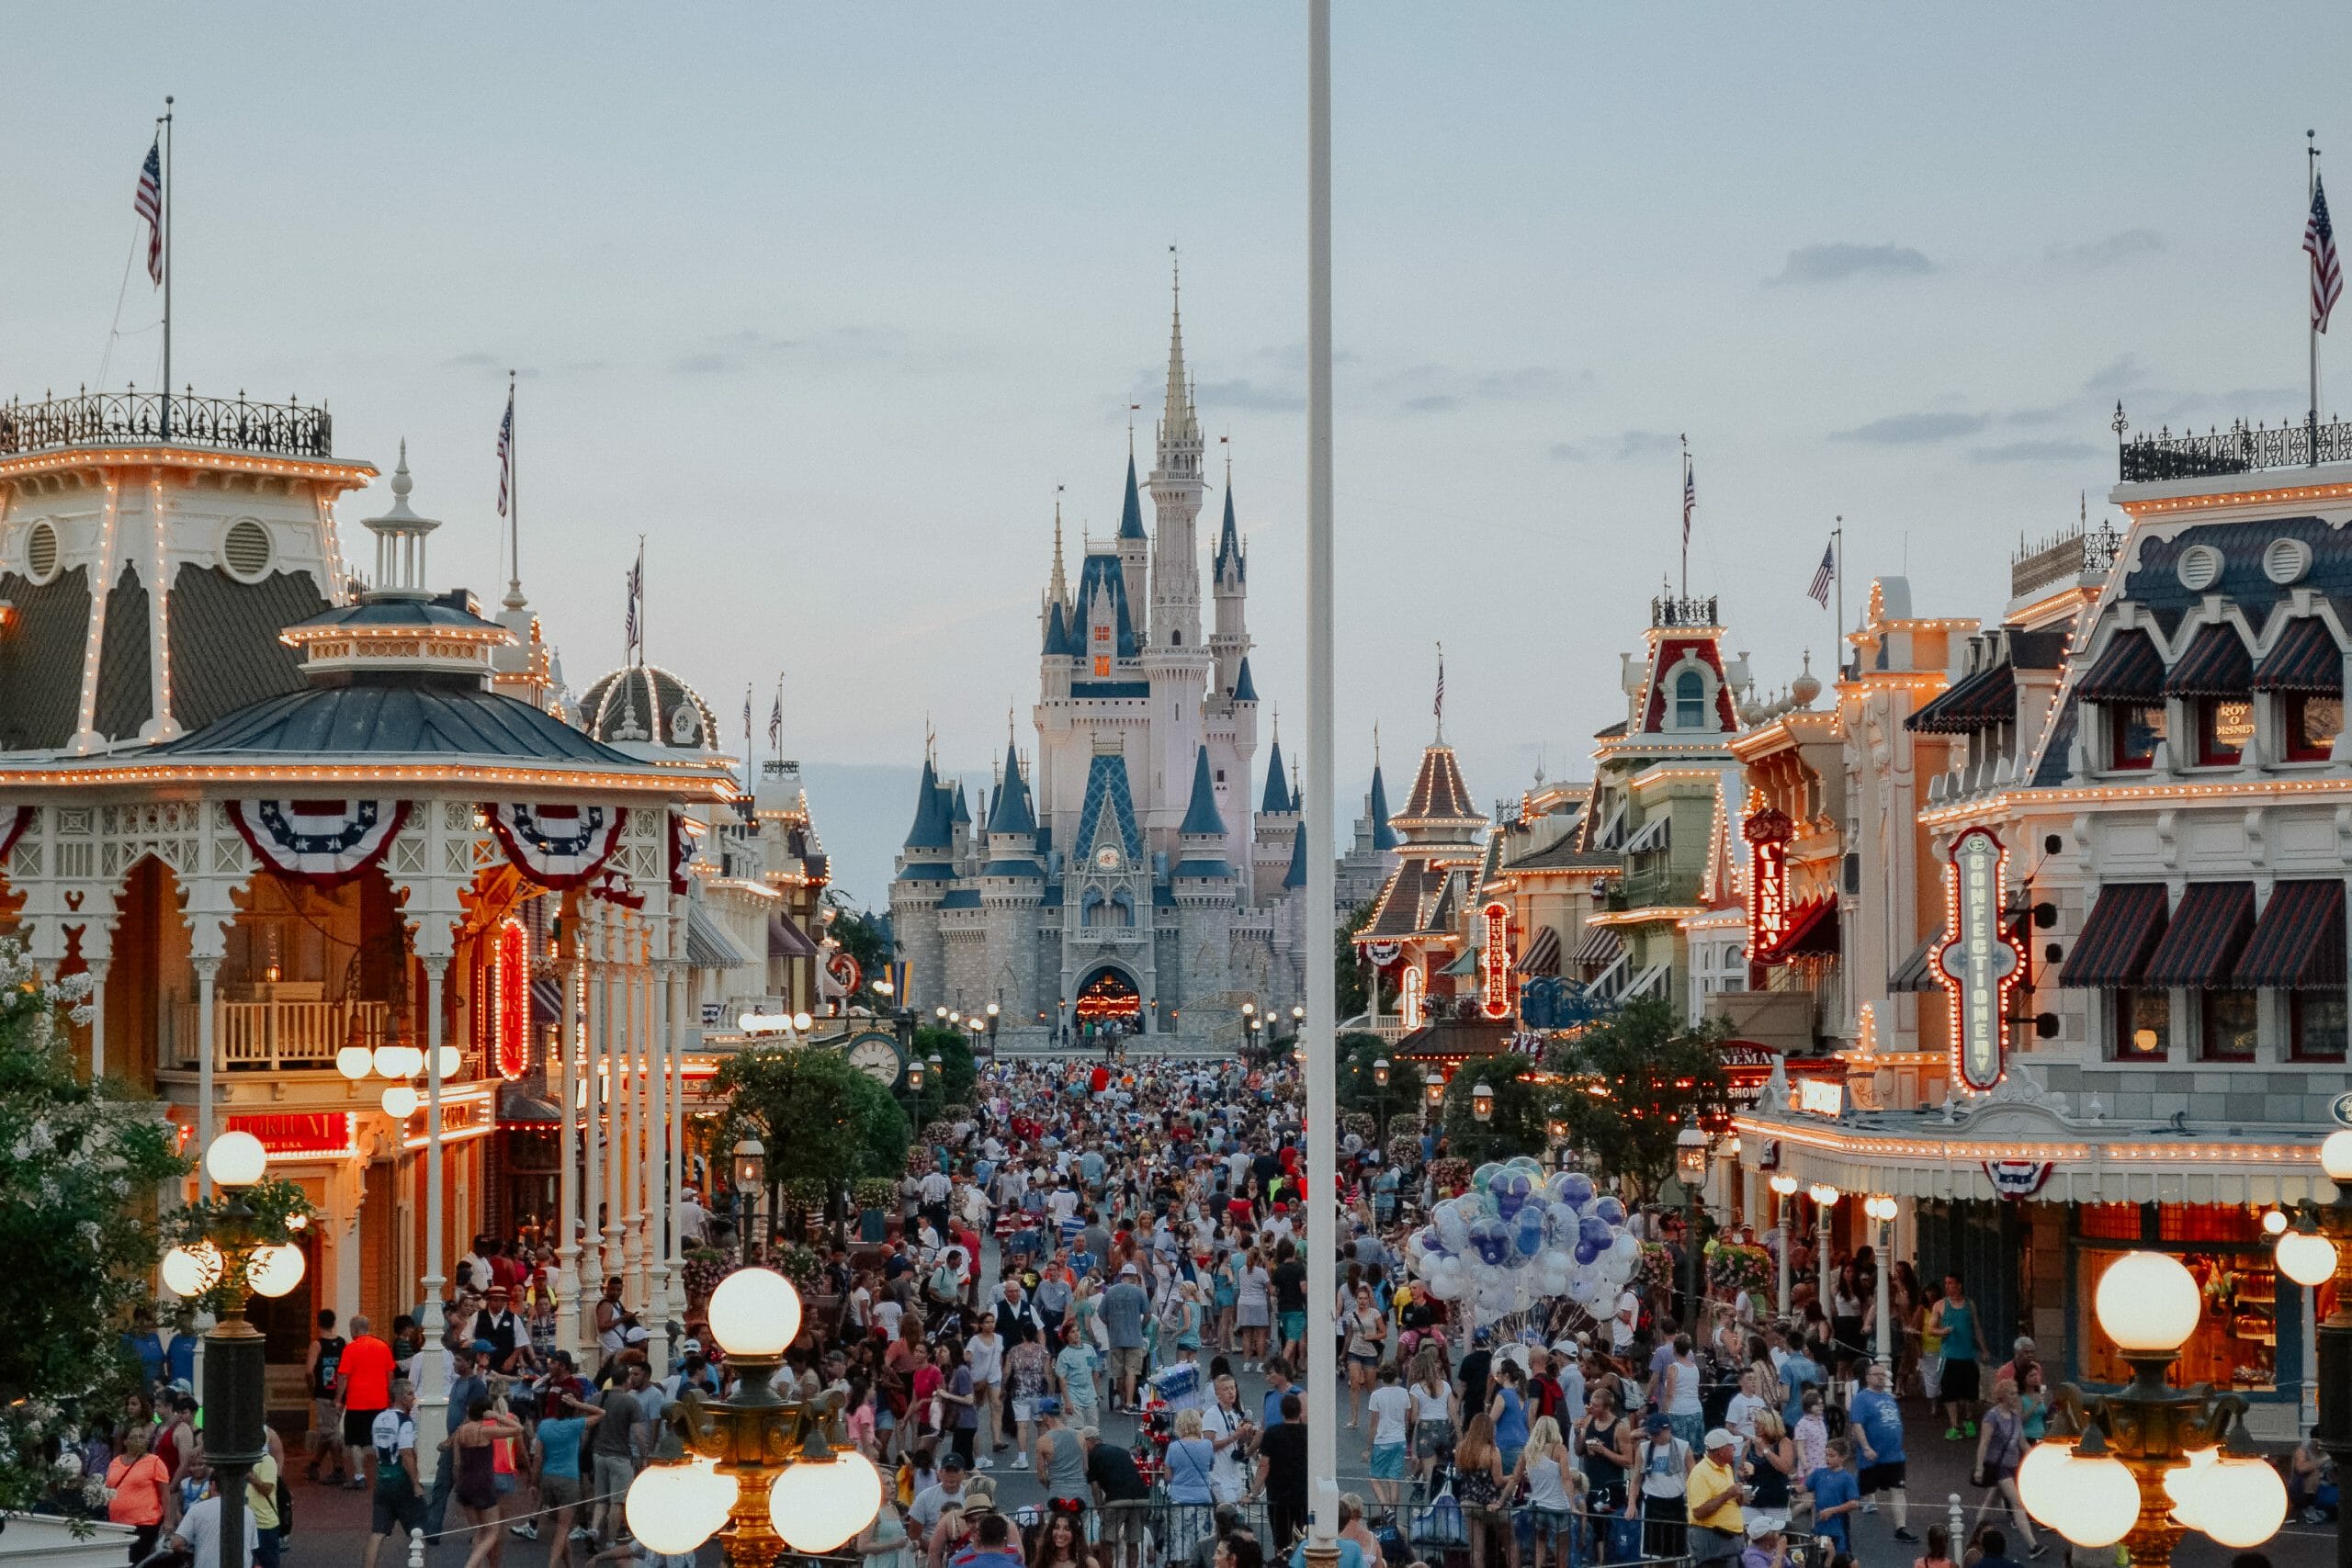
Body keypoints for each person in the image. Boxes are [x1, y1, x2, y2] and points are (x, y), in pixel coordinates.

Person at [445, 1394, 526, 1568]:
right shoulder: (485, 1431)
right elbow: (518, 1428)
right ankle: (470, 1565)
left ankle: (476, 1565)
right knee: (492, 1532)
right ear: (486, 1412)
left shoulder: (461, 1431)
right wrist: (497, 1416)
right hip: (483, 1484)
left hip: (465, 1484)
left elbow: (457, 1463)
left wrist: (457, 1485)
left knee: (479, 1532)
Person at [1971, 1378, 2044, 1557]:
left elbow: (2022, 1443)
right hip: (1997, 1465)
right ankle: (2032, 1545)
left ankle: (1974, 1536)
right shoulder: (1992, 1417)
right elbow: (1984, 1443)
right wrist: (1979, 1468)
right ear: (2002, 1397)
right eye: (2011, 1394)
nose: (2015, 1397)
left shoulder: (2015, 1418)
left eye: (2015, 1393)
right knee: (2017, 1503)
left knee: (1991, 1500)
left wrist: (2036, 1460)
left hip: (2011, 1464)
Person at [532, 1389, 602, 1568]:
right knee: (563, 1529)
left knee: (561, 1527)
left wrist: (534, 1482)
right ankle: (552, 1565)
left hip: (548, 1478)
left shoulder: (544, 1425)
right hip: (568, 1480)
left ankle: (569, 1565)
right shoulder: (575, 1425)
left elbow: (538, 1456)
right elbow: (601, 1413)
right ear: (572, 1408)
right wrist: (578, 1403)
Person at [1850, 1361, 1917, 1541]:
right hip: (1872, 1456)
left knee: (1898, 1489)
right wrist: (1866, 1447)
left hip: (1894, 1455)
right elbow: (1857, 1425)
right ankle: (1831, 1514)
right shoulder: (1862, 1398)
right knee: (1858, 1492)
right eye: (1876, 1374)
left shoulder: (1889, 1398)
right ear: (1868, 1378)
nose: (1881, 1377)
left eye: (1883, 1374)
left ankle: (1901, 1528)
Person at [363, 1381, 424, 1568]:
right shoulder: (405, 1422)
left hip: (383, 1480)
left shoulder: (379, 1418)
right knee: (418, 1531)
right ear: (399, 1397)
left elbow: (375, 1451)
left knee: (378, 1532)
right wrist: (416, 1483)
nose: (413, 1397)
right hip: (401, 1481)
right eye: (409, 1394)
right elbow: (406, 1453)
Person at [338, 1314, 398, 1491]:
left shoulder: (350, 1349)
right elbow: (390, 1374)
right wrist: (389, 1395)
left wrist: (338, 1399)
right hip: (380, 1401)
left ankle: (359, 1476)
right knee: (380, 1438)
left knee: (355, 1441)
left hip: (357, 1402)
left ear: (355, 1330)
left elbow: (343, 1376)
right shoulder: (382, 1346)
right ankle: (385, 1474)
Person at [1450, 1411, 1515, 1568]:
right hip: (1491, 1503)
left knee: (1477, 1550)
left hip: (1469, 1502)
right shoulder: (1492, 1451)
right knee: (1511, 1544)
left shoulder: (1462, 1449)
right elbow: (1498, 1481)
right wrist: (1514, 1477)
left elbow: (1459, 1473)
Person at [1248, 1393, 1309, 1553]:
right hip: (1304, 1494)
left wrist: (1254, 1493)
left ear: (1282, 1412)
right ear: (1300, 1411)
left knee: (1281, 1544)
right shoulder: (1308, 1433)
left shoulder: (1273, 1433)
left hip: (1278, 1495)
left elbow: (1264, 1465)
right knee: (1307, 1540)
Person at [1084, 1425, 1152, 1568]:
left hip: (1117, 1499)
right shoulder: (1121, 1451)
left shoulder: (1091, 1456)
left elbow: (1095, 1487)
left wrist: (1099, 1508)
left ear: (1089, 1441)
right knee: (1133, 1541)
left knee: (1106, 1541)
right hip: (1141, 1497)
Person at [105, 1423, 174, 1565]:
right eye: (134, 1437)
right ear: (125, 1441)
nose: (138, 1440)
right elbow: (109, 1489)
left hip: (145, 1524)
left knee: (137, 1562)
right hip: (117, 1524)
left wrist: (168, 1520)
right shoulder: (115, 1462)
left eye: (142, 1437)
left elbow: (165, 1493)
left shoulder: (154, 1461)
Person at [1932, 1273, 1990, 1440]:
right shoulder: (1940, 1305)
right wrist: (1942, 1331)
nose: (1947, 1286)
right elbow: (1931, 1328)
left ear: (1959, 1286)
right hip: (1949, 1355)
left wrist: (1984, 1349)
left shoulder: (1969, 1305)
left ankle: (1969, 1419)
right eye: (1946, 1283)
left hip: (1968, 1354)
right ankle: (1954, 1425)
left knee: (1970, 1392)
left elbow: (1977, 1328)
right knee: (1950, 1392)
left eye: (1951, 1283)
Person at [1513, 1415, 1576, 1568]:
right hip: (1559, 1507)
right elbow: (1566, 1479)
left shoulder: (1529, 1451)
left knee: (1540, 1544)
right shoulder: (1559, 1449)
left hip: (1538, 1506)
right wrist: (1573, 1505)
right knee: (1562, 1551)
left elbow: (1520, 1477)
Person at [1633, 1410, 1692, 1561]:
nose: (1654, 1437)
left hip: (1676, 1502)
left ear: (1667, 1429)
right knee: (1651, 1554)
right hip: (1653, 1502)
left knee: (1673, 1554)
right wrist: (1631, 1504)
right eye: (1651, 1434)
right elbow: (1636, 1479)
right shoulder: (1645, 1448)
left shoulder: (1683, 1447)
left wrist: (1692, 1502)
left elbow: (1693, 1475)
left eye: (1657, 1433)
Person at [1684, 1428, 1747, 1568]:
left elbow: (1734, 1502)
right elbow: (1698, 1512)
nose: (1734, 1449)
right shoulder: (1700, 1473)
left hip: (1731, 1539)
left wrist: (1741, 1493)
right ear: (1721, 1450)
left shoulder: (1727, 1468)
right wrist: (1727, 1494)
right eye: (1731, 1446)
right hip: (1712, 1538)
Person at [1164, 1407, 1220, 1561]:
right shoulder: (1207, 1445)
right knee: (1203, 1543)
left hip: (1180, 1499)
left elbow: (1168, 1476)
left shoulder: (1174, 1447)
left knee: (1181, 1544)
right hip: (1202, 1499)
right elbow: (1210, 1467)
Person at [304, 1308, 348, 1484]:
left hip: (324, 1393)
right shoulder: (342, 1342)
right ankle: (314, 1465)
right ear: (334, 1323)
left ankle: (339, 1469)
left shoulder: (317, 1345)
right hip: (340, 1393)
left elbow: (309, 1370)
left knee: (331, 1433)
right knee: (328, 1431)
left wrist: (311, 1387)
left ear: (318, 1323)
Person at [1100, 1265, 1150, 1412]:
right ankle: (1129, 1403)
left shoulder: (1110, 1292)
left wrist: (1111, 1325)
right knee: (1131, 1371)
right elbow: (1147, 1314)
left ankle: (1121, 1401)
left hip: (1116, 1337)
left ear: (1121, 1276)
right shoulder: (1138, 1292)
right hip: (1134, 1337)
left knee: (1118, 1372)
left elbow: (1101, 1314)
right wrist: (1141, 1327)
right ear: (1134, 1276)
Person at [1407, 1347, 1456, 1494]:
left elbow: (1414, 1417)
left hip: (1426, 1429)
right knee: (1442, 1471)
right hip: (1444, 1428)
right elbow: (1454, 1413)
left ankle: (1429, 1505)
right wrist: (1459, 1436)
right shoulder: (1446, 1386)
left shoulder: (1416, 1388)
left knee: (1429, 1476)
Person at [1363, 1361, 1411, 1508]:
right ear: (1396, 1376)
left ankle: (1385, 1508)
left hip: (1383, 1440)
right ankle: (1394, 1512)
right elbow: (1407, 1418)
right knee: (1394, 1478)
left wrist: (1369, 1448)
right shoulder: (1404, 1393)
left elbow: (1374, 1424)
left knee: (1375, 1477)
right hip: (1400, 1439)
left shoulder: (1376, 1395)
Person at [1806, 1435, 1862, 1558]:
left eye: (1832, 1456)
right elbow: (1803, 1488)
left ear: (1843, 1457)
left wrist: (1832, 1510)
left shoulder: (1848, 1478)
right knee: (1822, 1557)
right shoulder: (1818, 1473)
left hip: (1838, 1530)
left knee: (1841, 1559)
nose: (1827, 1459)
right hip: (1821, 1528)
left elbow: (1854, 1503)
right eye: (1826, 1455)